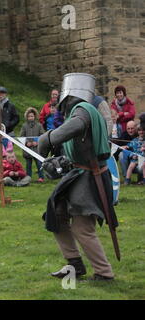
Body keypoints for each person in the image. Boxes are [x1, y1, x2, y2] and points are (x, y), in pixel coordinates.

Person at [38, 73, 117, 281]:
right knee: (56, 213)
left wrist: (47, 138)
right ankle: (74, 263)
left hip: (91, 177)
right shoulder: (78, 111)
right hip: (79, 173)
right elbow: (76, 145)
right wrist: (58, 161)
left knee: (83, 227)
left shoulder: (84, 110)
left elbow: (74, 127)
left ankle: (104, 272)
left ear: (69, 94)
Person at [20, 107, 45, 182]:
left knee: (39, 164)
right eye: (29, 116)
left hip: (37, 149)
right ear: (27, 117)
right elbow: (21, 136)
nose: (30, 118)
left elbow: (42, 135)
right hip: (27, 149)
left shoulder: (39, 125)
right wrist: (26, 142)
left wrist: (37, 142)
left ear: (35, 116)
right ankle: (28, 177)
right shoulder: (24, 126)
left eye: (32, 116)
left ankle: (41, 177)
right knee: (28, 165)